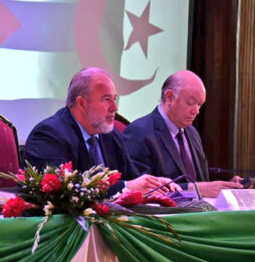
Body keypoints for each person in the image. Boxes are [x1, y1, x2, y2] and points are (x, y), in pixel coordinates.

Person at [23, 67, 175, 196]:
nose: (114, 108)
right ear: (81, 103)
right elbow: (64, 190)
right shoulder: (48, 135)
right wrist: (126, 187)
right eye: (106, 99)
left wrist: (154, 184)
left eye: (114, 99)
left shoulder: (111, 135)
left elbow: (132, 178)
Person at [123, 70, 244, 197]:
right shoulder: (139, 132)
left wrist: (227, 185)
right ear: (169, 97)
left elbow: (200, 180)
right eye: (191, 103)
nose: (196, 111)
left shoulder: (192, 132)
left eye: (199, 105)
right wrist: (194, 189)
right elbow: (140, 188)